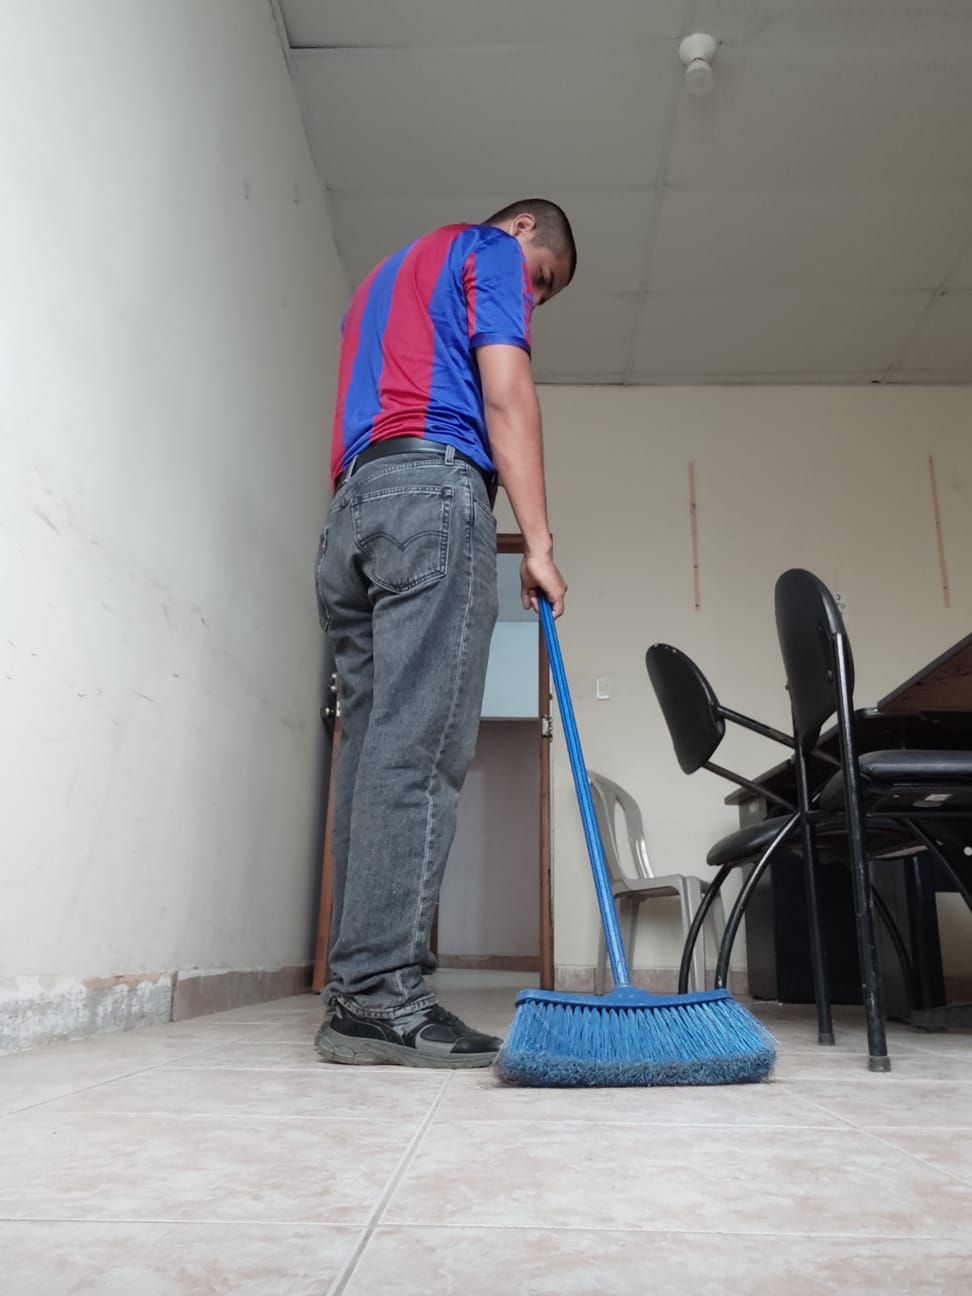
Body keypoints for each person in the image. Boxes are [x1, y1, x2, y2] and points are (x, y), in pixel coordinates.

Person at [314, 198, 575, 1069]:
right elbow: (506, 392)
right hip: (430, 493)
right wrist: (538, 546)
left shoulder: (376, 283)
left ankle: (356, 989)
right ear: (524, 229)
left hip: (350, 516)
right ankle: (381, 995)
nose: (532, 298)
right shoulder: (488, 251)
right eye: (543, 281)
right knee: (420, 750)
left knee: (371, 756)